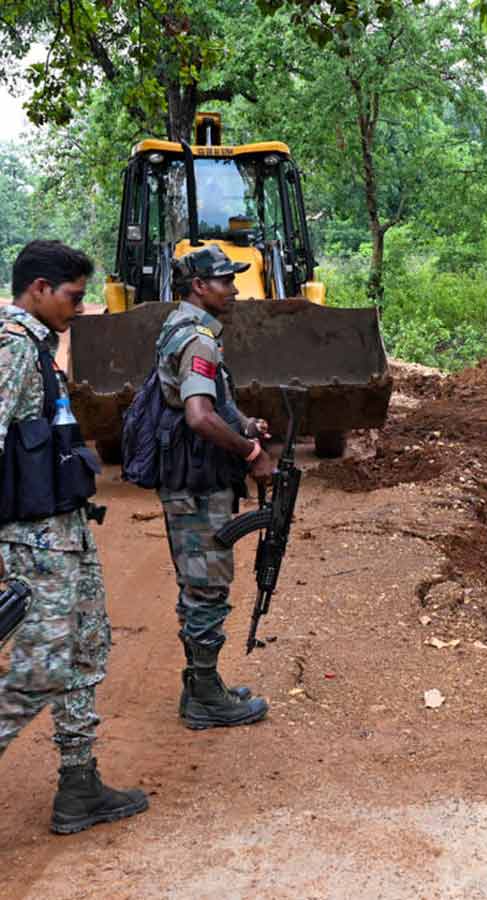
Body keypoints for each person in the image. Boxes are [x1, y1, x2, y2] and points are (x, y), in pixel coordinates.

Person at [0, 240, 148, 833]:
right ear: (38, 289)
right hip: (33, 539)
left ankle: (78, 783)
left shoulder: (40, 346)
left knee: (86, 649)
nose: (80, 308)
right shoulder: (12, 348)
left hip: (64, 530)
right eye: (72, 296)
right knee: (40, 669)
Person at [156, 244, 275, 729]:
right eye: (225, 280)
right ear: (199, 286)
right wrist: (251, 454)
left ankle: (202, 685)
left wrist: (243, 423)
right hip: (198, 483)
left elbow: (211, 402)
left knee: (199, 583)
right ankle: (205, 697)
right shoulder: (198, 339)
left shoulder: (182, 328)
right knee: (207, 587)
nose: (234, 289)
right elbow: (199, 416)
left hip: (191, 479)